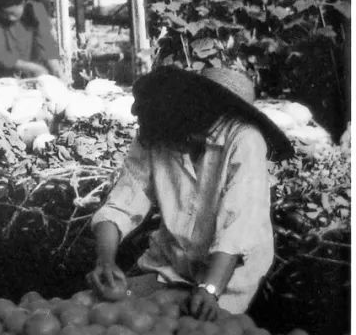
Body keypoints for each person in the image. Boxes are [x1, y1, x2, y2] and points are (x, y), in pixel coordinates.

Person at [87, 65, 294, 320]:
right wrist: (105, 262)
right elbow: (122, 203)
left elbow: (238, 225)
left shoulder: (244, 141)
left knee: (180, 326)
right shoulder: (157, 130)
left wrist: (210, 289)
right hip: (172, 264)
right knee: (115, 308)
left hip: (228, 274)